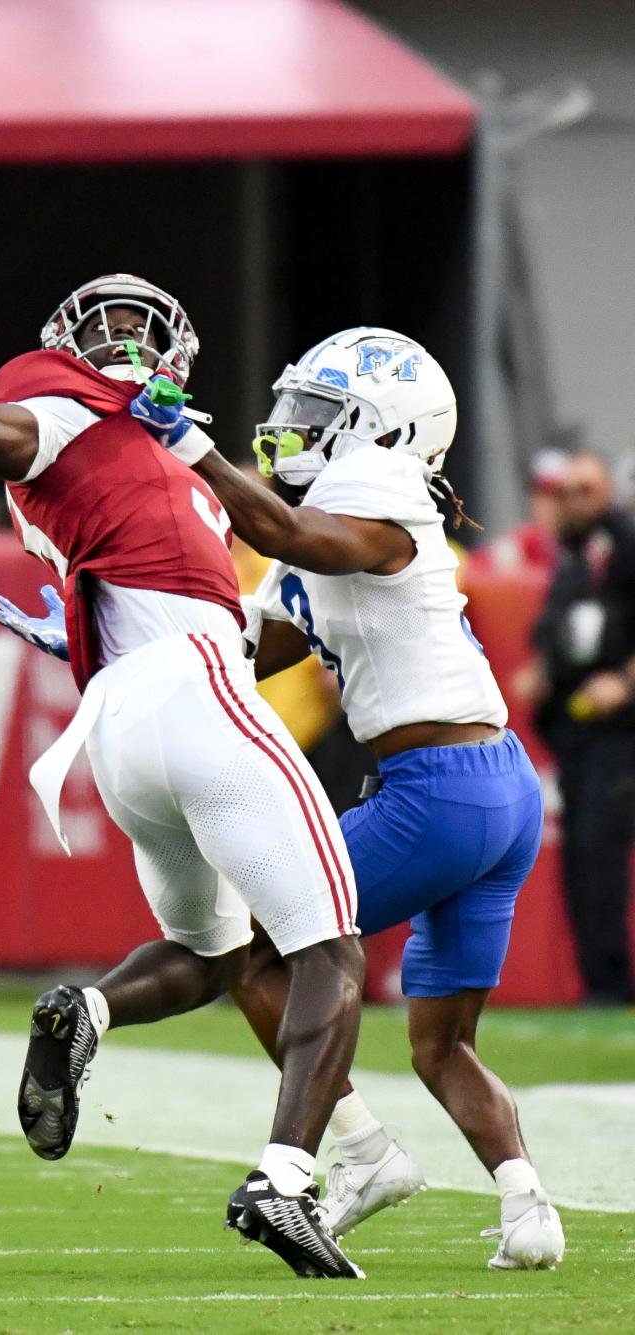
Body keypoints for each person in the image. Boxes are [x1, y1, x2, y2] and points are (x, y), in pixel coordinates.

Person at [0, 219, 366, 1281]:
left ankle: (83, 1010)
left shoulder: (139, 443)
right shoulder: (65, 413)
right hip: (192, 695)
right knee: (332, 950)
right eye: (107, 328)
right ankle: (286, 1184)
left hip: (125, 721)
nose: (125, 342)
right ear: (72, 349)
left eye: (142, 327)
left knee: (217, 956)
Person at [131, 327, 564, 1271]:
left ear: (385, 430)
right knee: (441, 1042)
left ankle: (360, 1151)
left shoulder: (380, 497)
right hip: (497, 787)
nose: (294, 427)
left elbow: (286, 536)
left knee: (240, 936)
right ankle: (529, 1206)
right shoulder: (338, 515)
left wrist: (190, 448)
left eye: (321, 413)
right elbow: (237, 655)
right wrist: (109, 644)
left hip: (439, 793)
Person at [518, 451, 635, 1007]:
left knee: (599, 848)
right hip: (579, 729)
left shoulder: (626, 545)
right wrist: (544, 667)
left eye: (586, 489)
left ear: (608, 490)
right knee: (584, 855)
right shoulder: (573, 553)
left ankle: (610, 982)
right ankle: (599, 980)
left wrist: (626, 682)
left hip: (621, 728)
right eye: (566, 491)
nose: (574, 501)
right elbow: (560, 624)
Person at [469, 448, 569, 576]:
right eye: (541, 494)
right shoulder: (518, 545)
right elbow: (471, 569)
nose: (547, 504)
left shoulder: (590, 548)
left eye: (556, 495)